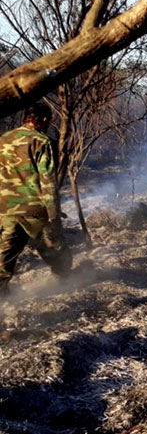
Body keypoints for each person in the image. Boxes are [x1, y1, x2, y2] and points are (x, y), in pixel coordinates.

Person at [0, 104, 71, 296]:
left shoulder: (4, 140)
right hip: (35, 211)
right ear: (45, 120)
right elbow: (47, 181)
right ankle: (68, 284)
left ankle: (3, 301)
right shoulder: (42, 142)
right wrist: (54, 214)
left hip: (6, 210)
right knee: (56, 251)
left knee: (4, 259)